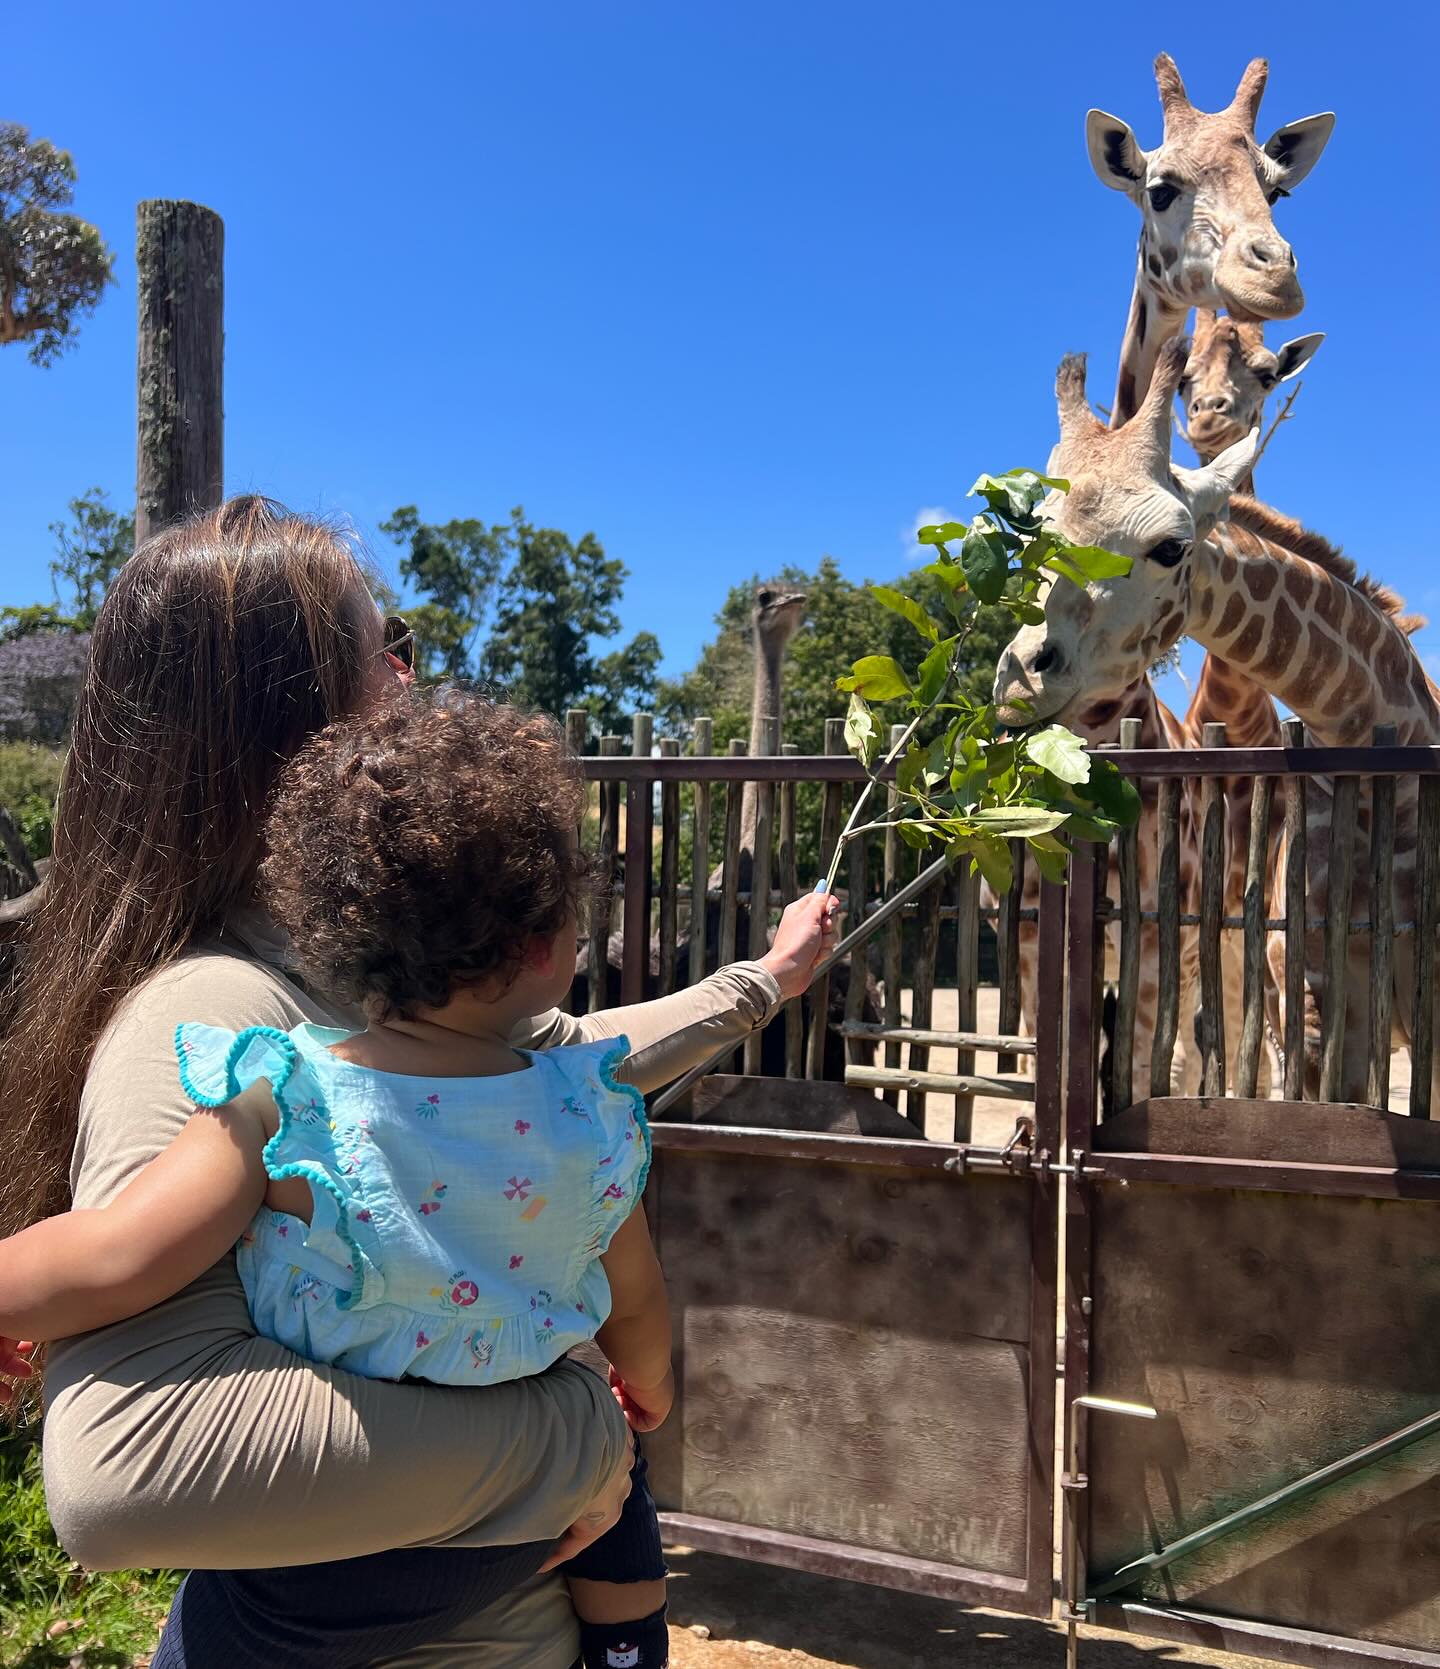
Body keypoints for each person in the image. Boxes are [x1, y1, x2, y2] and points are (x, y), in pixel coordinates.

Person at [0, 497, 836, 1668]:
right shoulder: (220, 1018)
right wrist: (581, 1437)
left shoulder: (368, 997)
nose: (410, 683)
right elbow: (126, 1468)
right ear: (291, 718)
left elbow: (565, 1046)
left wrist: (762, 981)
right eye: (384, 650)